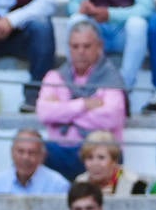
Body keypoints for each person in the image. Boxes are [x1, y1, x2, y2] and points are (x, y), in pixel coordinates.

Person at [37, 19, 129, 180]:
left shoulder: (111, 78)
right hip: (60, 152)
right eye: (75, 46)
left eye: (87, 46)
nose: (81, 51)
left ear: (99, 46)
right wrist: (83, 105)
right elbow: (45, 113)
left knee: (102, 154)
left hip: (99, 153)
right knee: (34, 148)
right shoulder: (55, 76)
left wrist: (63, 112)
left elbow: (110, 117)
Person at [66, 0, 155, 91]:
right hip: (97, 30)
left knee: (138, 25)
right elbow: (73, 4)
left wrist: (110, 14)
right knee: (75, 20)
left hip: (122, 32)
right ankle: (75, 86)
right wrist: (82, 9)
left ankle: (124, 88)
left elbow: (146, 8)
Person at [0, 127, 72, 195]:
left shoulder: (58, 185)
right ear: (12, 152)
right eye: (20, 151)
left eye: (32, 152)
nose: (25, 157)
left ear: (42, 156)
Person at [74, 129, 148, 194]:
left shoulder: (134, 184)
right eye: (90, 158)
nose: (95, 163)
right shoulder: (80, 183)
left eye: (101, 157)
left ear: (114, 160)